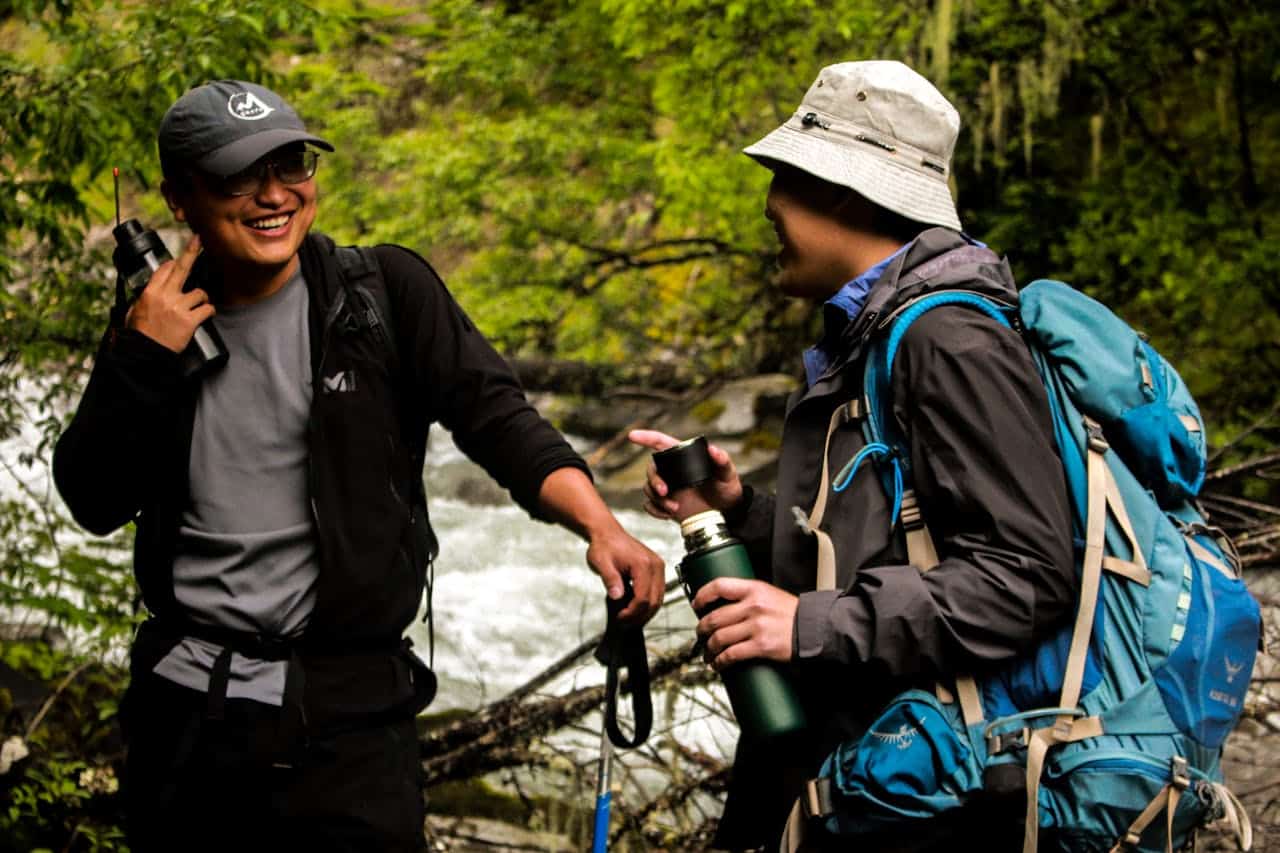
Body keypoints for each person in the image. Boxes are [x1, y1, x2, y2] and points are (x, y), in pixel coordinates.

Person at [52, 79, 665, 853]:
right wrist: (139, 358)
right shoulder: (155, 320)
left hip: (351, 725)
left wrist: (601, 525)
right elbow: (92, 498)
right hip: (189, 725)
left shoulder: (381, 294)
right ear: (181, 198)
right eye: (242, 177)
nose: (275, 195)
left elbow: (499, 418)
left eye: (293, 165)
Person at [630, 60, 1075, 851]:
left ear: (844, 189)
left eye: (785, 176)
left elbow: (1028, 576)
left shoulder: (949, 340)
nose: (768, 203)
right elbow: (887, 548)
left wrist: (806, 623)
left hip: (933, 802)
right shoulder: (873, 336)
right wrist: (742, 510)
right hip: (865, 778)